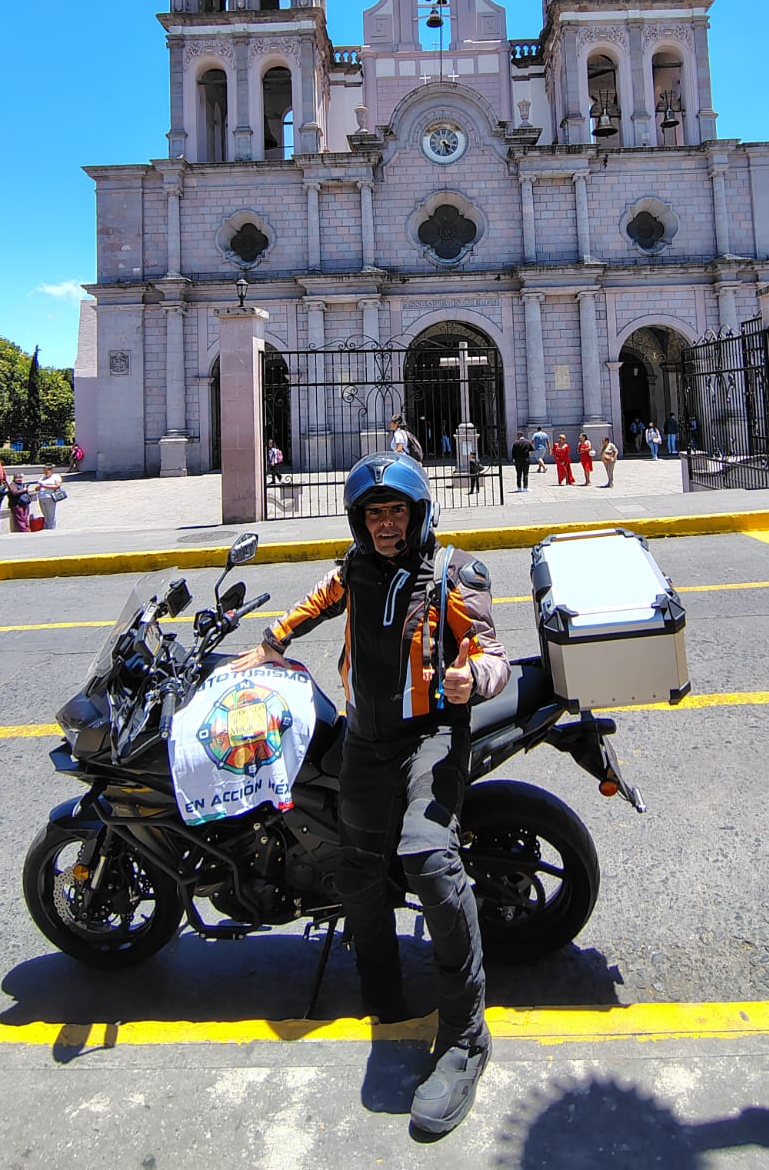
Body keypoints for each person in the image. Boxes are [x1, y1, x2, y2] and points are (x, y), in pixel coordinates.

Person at [229, 452, 508, 1136]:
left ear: (418, 514)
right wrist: (269, 644)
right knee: (354, 867)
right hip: (366, 739)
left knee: (428, 857)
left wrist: (473, 678)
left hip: (430, 736)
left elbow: (492, 653)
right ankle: (383, 991)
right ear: (360, 522)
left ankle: (466, 1037)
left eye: (396, 511)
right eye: (374, 513)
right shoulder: (353, 570)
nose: (386, 525)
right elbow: (313, 604)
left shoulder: (452, 574)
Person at [34, 463, 65, 528]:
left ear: (51, 470)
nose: (45, 472)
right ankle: (46, 527)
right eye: (44, 471)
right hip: (41, 497)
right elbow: (37, 488)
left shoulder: (55, 477)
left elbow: (57, 486)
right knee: (45, 514)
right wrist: (38, 487)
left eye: (47, 471)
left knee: (50, 515)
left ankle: (51, 528)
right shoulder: (42, 478)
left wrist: (44, 486)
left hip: (50, 497)